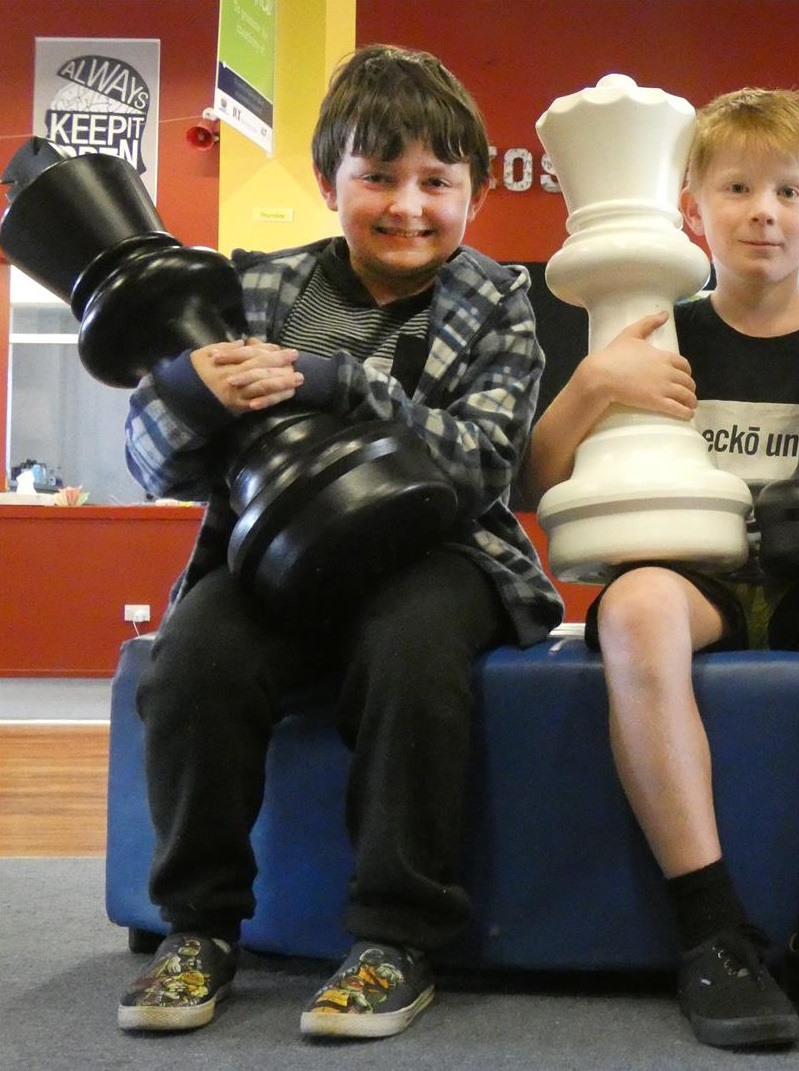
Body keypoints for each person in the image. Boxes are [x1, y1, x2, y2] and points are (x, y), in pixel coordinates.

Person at [117, 45, 561, 1038]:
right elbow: (154, 463)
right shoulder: (257, 290)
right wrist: (190, 391)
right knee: (191, 658)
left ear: (474, 194)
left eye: (437, 182)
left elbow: (488, 462)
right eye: (378, 177)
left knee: (409, 655)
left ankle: (394, 938)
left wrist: (340, 383)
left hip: (438, 556)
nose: (408, 205)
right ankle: (198, 928)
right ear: (330, 184)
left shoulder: (497, 301)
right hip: (271, 558)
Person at [525, 87, 799, 1051]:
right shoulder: (648, 327)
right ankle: (711, 931)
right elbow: (538, 476)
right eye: (738, 187)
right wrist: (591, 387)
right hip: (695, 580)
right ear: (691, 202)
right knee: (634, 612)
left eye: (789, 192)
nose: (764, 210)